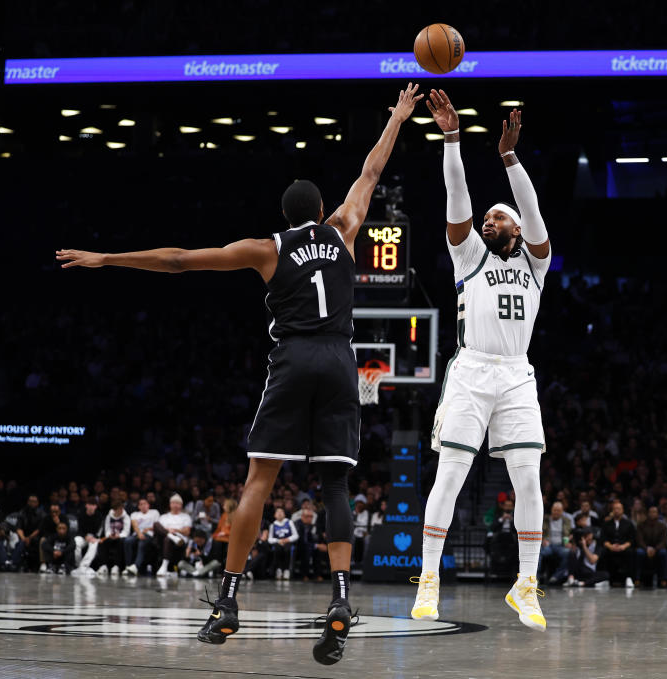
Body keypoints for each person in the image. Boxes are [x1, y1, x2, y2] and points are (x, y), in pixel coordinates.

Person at [57, 83, 422, 664]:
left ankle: (228, 600)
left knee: (259, 480)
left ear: (285, 215)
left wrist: (105, 259)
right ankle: (341, 597)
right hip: (339, 360)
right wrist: (399, 117)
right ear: (322, 211)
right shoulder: (346, 229)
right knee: (335, 484)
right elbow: (372, 171)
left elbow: (179, 260)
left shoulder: (266, 248)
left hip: (295, 358)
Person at [413, 92, 552, 633]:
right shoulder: (469, 254)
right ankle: (428, 579)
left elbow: (535, 211)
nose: (488, 221)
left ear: (516, 229)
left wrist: (510, 159)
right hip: (471, 370)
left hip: (517, 373)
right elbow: (457, 197)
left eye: (498, 217)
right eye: (488, 217)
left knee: (530, 482)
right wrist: (452, 140)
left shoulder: (537, 262)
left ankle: (527, 585)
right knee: (450, 475)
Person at [599, 500, 636, 588]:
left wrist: (623, 546)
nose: (617, 510)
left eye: (619, 509)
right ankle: (605, 579)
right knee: (603, 552)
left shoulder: (628, 524)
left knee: (630, 552)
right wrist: (610, 546)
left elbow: (632, 539)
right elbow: (603, 538)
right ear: (612, 510)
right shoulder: (606, 523)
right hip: (610, 547)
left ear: (622, 510)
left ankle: (629, 578)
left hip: (624, 547)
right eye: (615, 509)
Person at [154, 494, 192, 576]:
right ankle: (170, 535)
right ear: (170, 504)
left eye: (177, 503)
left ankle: (164, 566)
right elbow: (158, 528)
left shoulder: (185, 516)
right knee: (156, 524)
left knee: (168, 539)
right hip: (164, 537)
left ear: (181, 505)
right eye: (173, 503)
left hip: (179, 540)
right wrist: (168, 532)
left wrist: (176, 530)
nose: (175, 505)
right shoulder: (164, 516)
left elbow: (187, 532)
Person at [124, 497, 160, 576]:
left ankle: (136, 566)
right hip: (137, 534)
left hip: (150, 534)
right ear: (138, 506)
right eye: (141, 504)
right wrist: (139, 533)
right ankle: (128, 566)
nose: (143, 506)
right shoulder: (135, 514)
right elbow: (134, 524)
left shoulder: (154, 512)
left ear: (148, 505)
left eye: (145, 504)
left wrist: (149, 528)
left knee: (142, 543)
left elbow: (157, 526)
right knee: (127, 541)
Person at [92, 500, 130, 576]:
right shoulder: (109, 516)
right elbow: (107, 529)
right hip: (111, 536)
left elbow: (126, 531)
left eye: (120, 509)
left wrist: (118, 536)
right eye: (117, 509)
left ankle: (116, 566)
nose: (119, 511)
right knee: (103, 542)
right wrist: (110, 535)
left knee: (119, 543)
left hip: (121, 537)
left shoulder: (126, 517)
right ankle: (103, 566)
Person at [635, 506, 667, 587]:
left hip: (657, 549)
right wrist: (647, 548)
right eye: (651, 512)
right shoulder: (641, 525)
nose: (652, 514)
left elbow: (664, 541)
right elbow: (639, 540)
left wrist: (655, 549)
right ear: (648, 513)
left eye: (654, 512)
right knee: (639, 553)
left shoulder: (662, 526)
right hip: (644, 548)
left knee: (664, 553)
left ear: (658, 514)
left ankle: (663, 579)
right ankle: (637, 579)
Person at [540, 501, 572, 581]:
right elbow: (540, 532)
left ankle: (556, 576)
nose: (556, 512)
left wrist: (568, 541)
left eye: (558, 510)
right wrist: (543, 540)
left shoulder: (566, 520)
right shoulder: (545, 519)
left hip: (561, 545)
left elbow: (569, 534)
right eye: (555, 510)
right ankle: (537, 576)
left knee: (568, 552)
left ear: (562, 511)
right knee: (539, 553)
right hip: (548, 545)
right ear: (551, 510)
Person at [268, 506, 298, 579]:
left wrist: (287, 539)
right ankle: (279, 569)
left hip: (288, 542)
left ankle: (286, 570)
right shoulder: (273, 525)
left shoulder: (289, 522)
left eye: (281, 512)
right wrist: (278, 541)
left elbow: (296, 535)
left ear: (284, 514)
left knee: (287, 549)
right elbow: (270, 539)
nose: (279, 513)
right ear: (274, 515)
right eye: (277, 512)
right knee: (278, 549)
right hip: (278, 543)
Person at [209, 499, 237, 567]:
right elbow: (219, 528)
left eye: (225, 505)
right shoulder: (224, 515)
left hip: (230, 537)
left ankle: (221, 564)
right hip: (222, 536)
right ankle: (216, 564)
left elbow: (235, 530)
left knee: (220, 543)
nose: (223, 506)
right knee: (214, 541)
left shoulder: (236, 516)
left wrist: (225, 533)